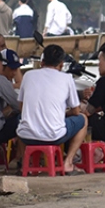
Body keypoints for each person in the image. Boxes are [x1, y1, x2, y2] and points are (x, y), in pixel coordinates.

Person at [17, 43, 89, 173]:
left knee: (21, 120)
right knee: (83, 119)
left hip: (26, 136)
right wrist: (63, 114)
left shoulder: (28, 75)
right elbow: (76, 111)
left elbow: (22, 107)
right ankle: (68, 163)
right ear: (61, 65)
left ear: (42, 62)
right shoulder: (67, 78)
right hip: (54, 136)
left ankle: (25, 163)